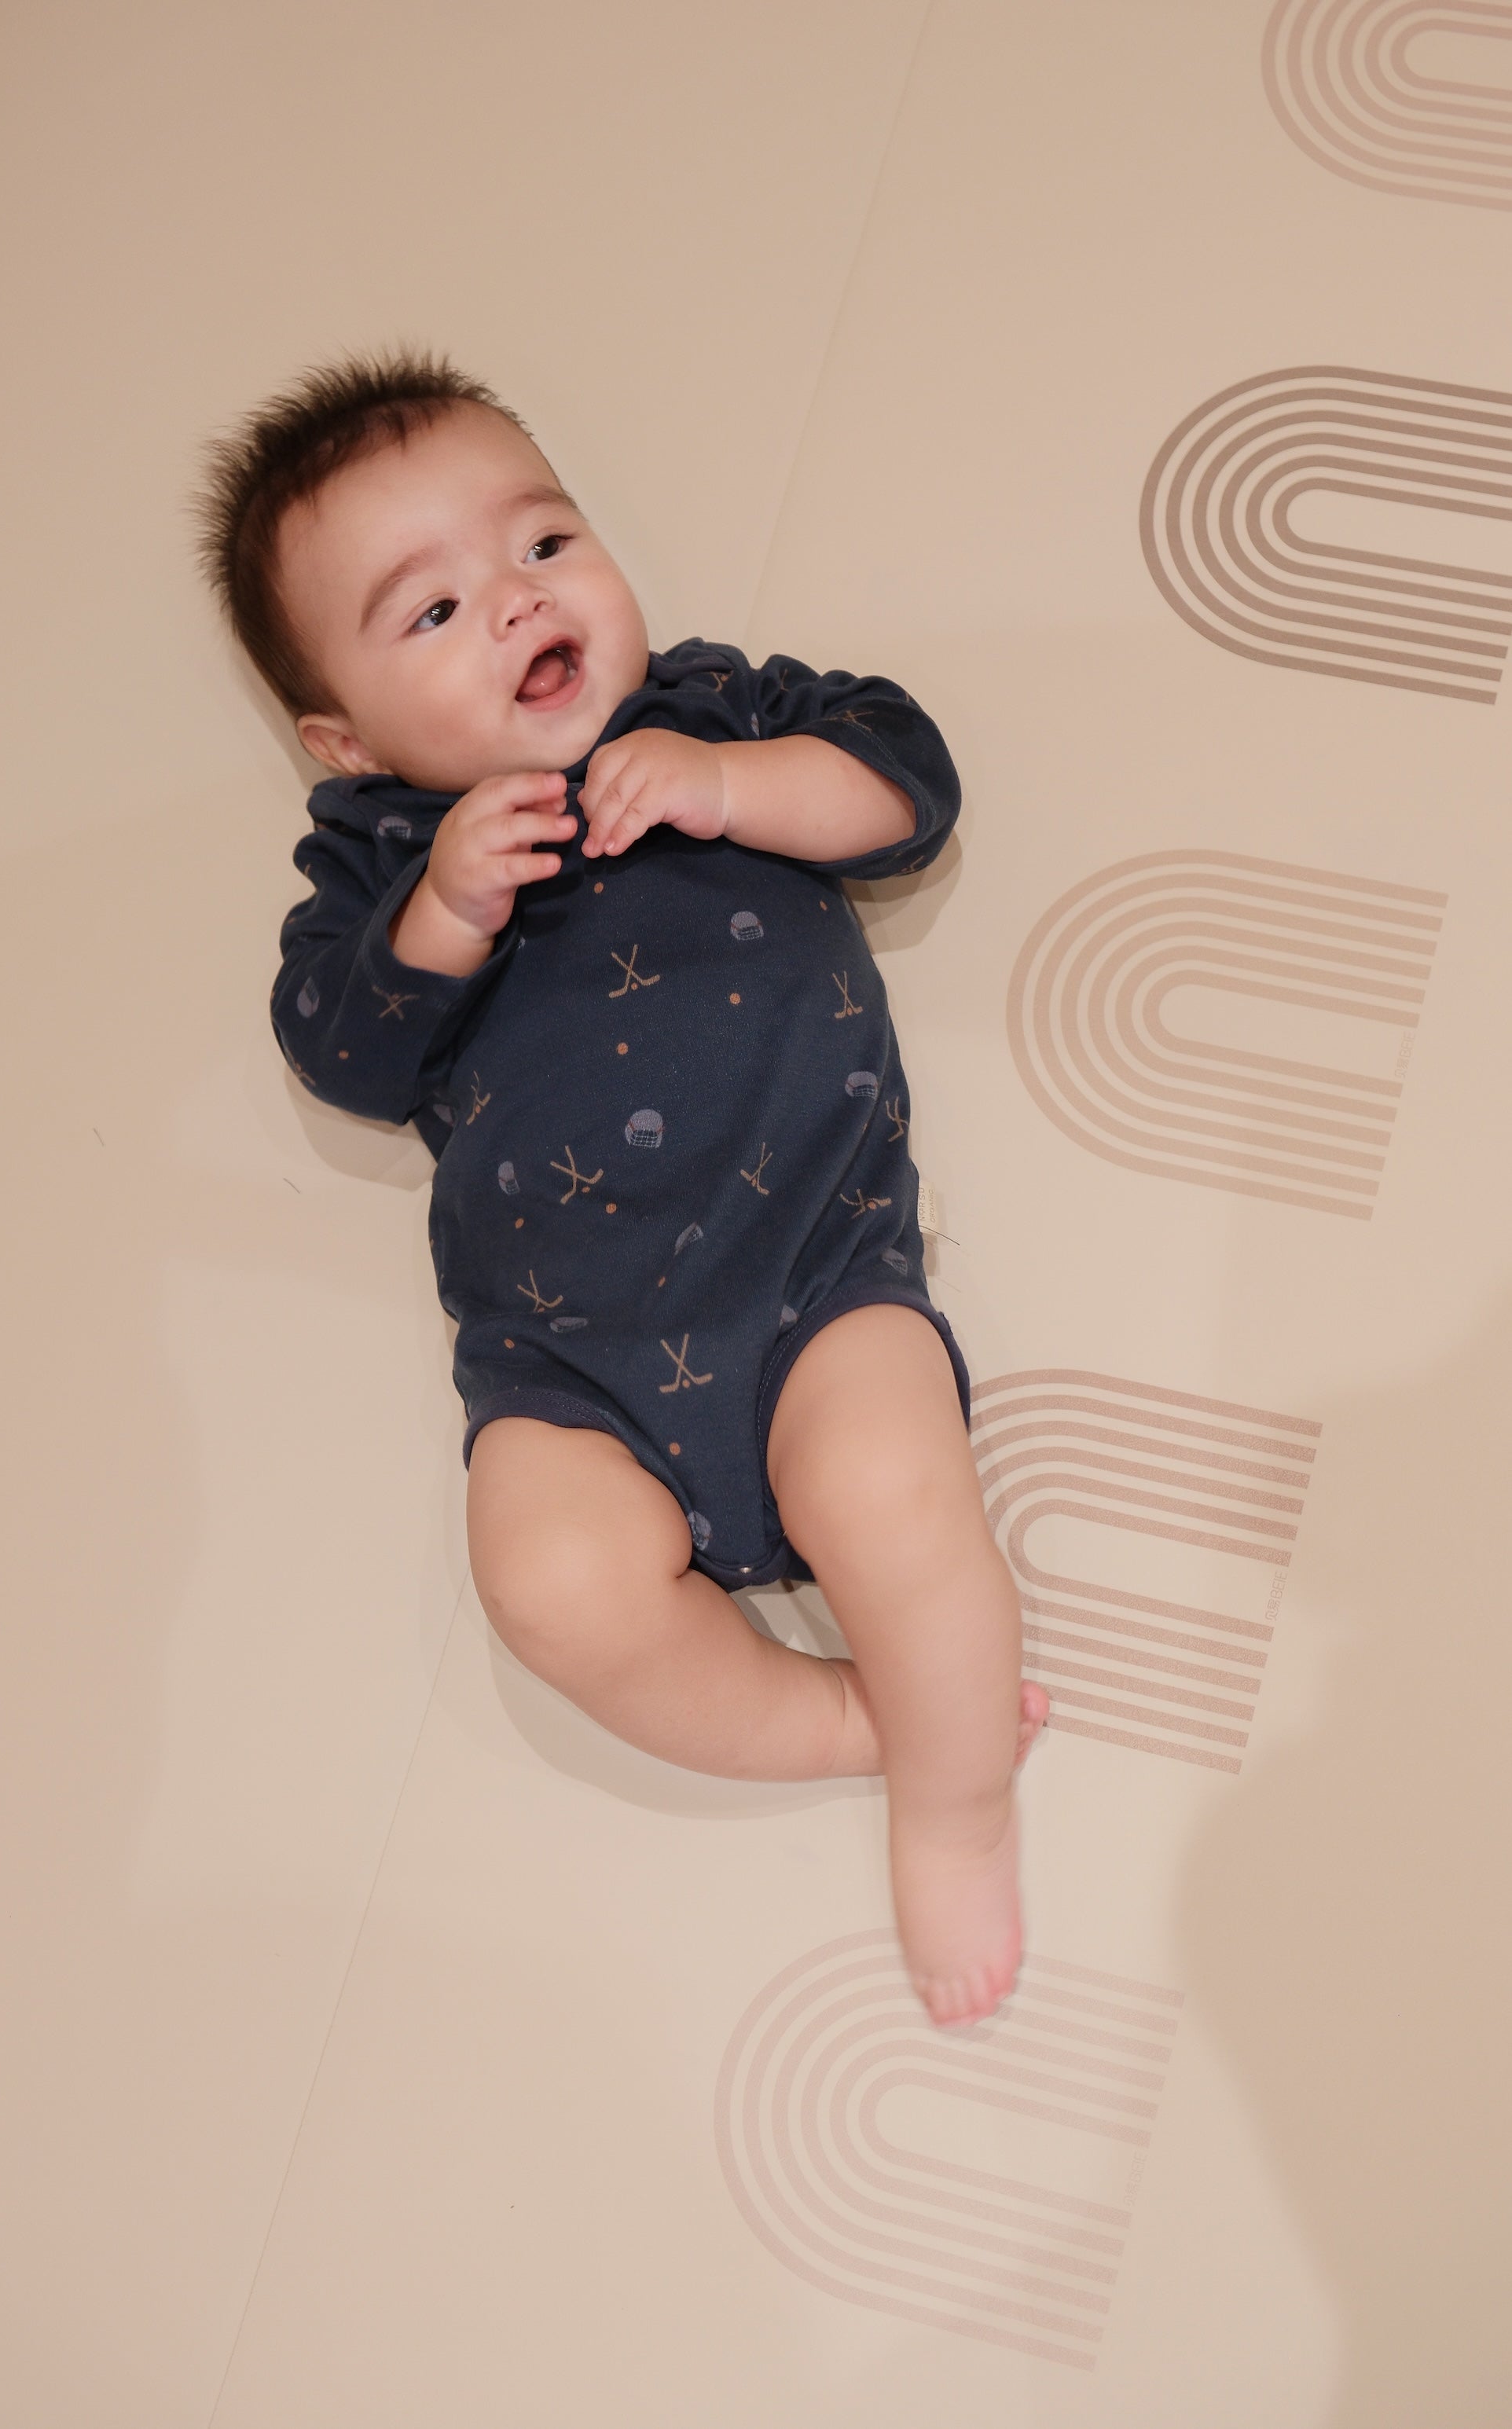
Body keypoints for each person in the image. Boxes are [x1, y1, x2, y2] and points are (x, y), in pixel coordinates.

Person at [196, 350, 1047, 2028]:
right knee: (546, 1585)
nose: (513, 608)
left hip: (812, 1273)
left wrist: (736, 791)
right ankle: (846, 1728)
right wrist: (441, 909)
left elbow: (905, 783)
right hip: (568, 1365)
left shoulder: (714, 706)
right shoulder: (376, 866)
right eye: (429, 613)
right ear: (342, 738)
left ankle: (953, 1810)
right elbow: (342, 1054)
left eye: (539, 545)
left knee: (889, 1487)